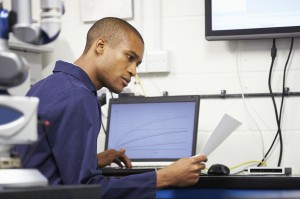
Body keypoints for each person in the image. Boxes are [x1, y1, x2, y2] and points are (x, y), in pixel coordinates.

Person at [14, 17, 207, 199]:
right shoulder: (78, 96)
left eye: (137, 64)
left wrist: (93, 160)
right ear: (100, 46)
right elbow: (84, 191)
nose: (133, 70)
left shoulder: (46, 85)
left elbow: (42, 161)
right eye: (129, 57)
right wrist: (163, 177)